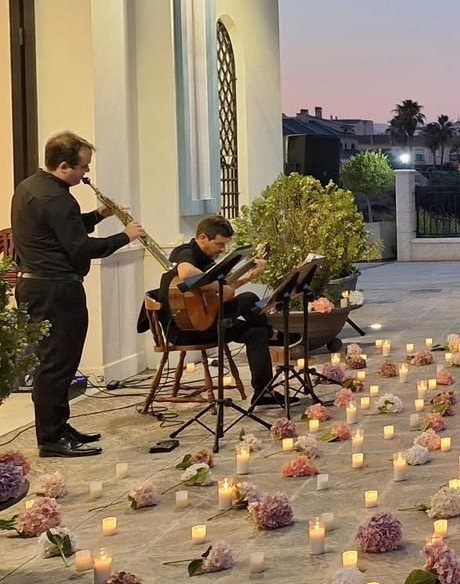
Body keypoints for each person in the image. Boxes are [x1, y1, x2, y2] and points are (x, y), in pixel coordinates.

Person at [10, 131, 144, 457]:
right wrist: (126, 236)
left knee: (59, 362)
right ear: (65, 165)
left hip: (41, 286)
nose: (86, 174)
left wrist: (98, 216)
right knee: (56, 364)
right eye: (83, 167)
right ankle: (51, 439)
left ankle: (58, 427)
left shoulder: (31, 187)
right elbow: (80, 248)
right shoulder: (55, 198)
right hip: (55, 289)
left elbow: (62, 232)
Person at [159, 215, 278, 404]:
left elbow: (225, 294)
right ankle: (274, 334)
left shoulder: (209, 263)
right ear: (203, 238)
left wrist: (249, 276)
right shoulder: (186, 251)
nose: (222, 250)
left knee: (257, 332)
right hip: (186, 329)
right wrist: (216, 284)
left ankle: (263, 392)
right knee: (249, 299)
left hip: (208, 321)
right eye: (220, 244)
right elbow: (186, 273)